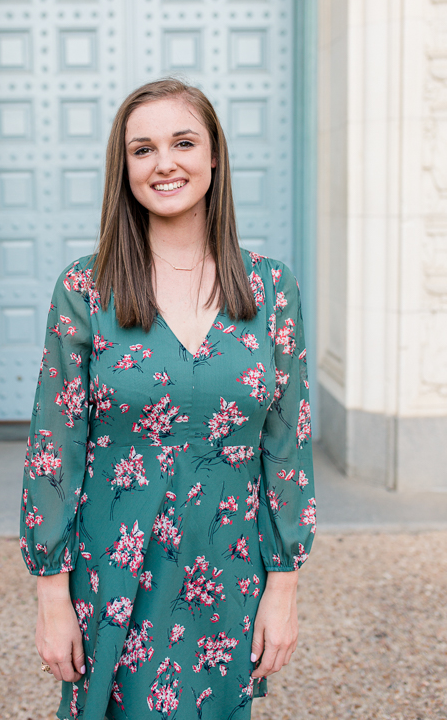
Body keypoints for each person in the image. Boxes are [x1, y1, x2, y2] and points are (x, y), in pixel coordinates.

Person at [20, 79, 315, 720]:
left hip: (229, 567)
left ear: (214, 157)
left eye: (184, 142)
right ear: (124, 169)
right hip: (116, 569)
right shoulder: (85, 287)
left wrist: (284, 586)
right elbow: (55, 447)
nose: (165, 163)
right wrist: (51, 596)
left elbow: (287, 447)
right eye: (143, 149)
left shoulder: (271, 288)